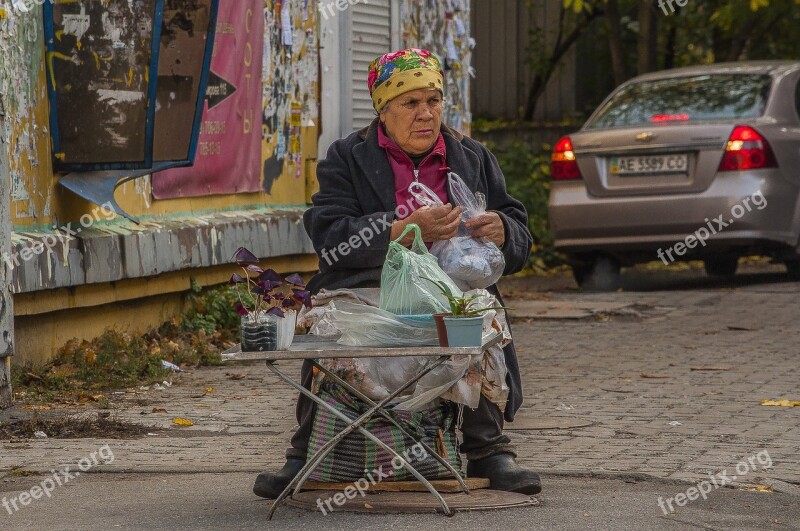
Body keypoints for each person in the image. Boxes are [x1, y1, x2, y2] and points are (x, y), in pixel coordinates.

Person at [253, 48, 540, 497]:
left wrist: (504, 230)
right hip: (369, 286)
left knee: (478, 319)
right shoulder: (347, 157)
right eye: (411, 103)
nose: (426, 114)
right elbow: (329, 235)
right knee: (331, 326)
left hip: (452, 290)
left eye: (433, 100)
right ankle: (303, 455)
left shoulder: (472, 157)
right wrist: (402, 229)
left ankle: (489, 449)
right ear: (383, 111)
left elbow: (518, 227)